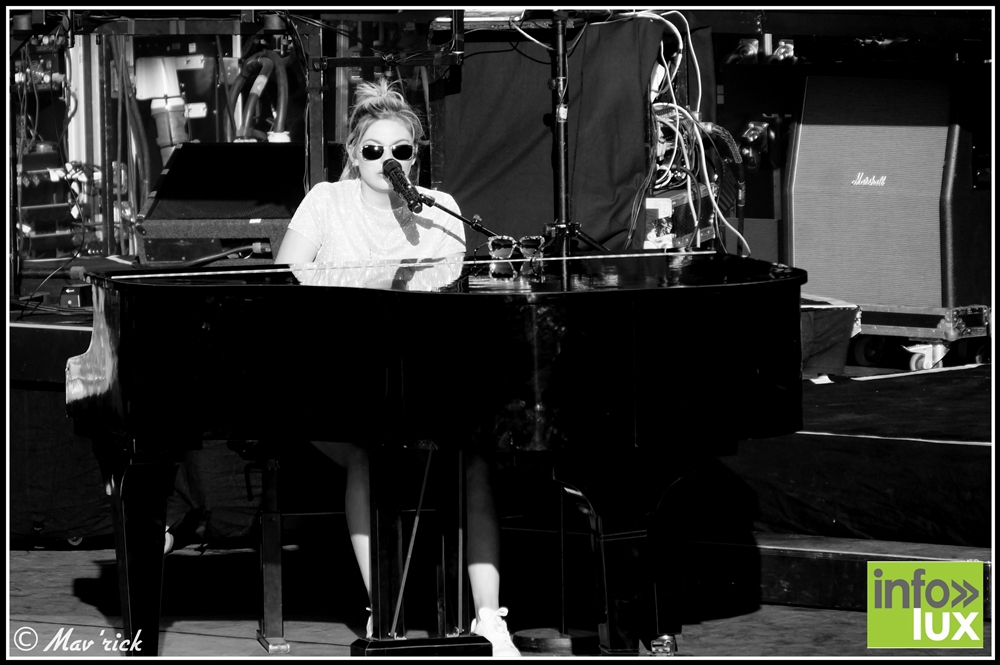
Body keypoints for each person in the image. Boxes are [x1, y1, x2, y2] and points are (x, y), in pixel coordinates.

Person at [275, 78, 520, 658]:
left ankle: (490, 619)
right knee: (366, 450)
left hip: (425, 382)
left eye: (401, 150)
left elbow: (452, 302)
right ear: (353, 153)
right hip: (336, 378)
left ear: (415, 157)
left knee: (475, 456)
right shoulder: (326, 202)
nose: (388, 160)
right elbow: (285, 279)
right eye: (374, 150)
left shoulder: (440, 209)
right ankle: (384, 608)